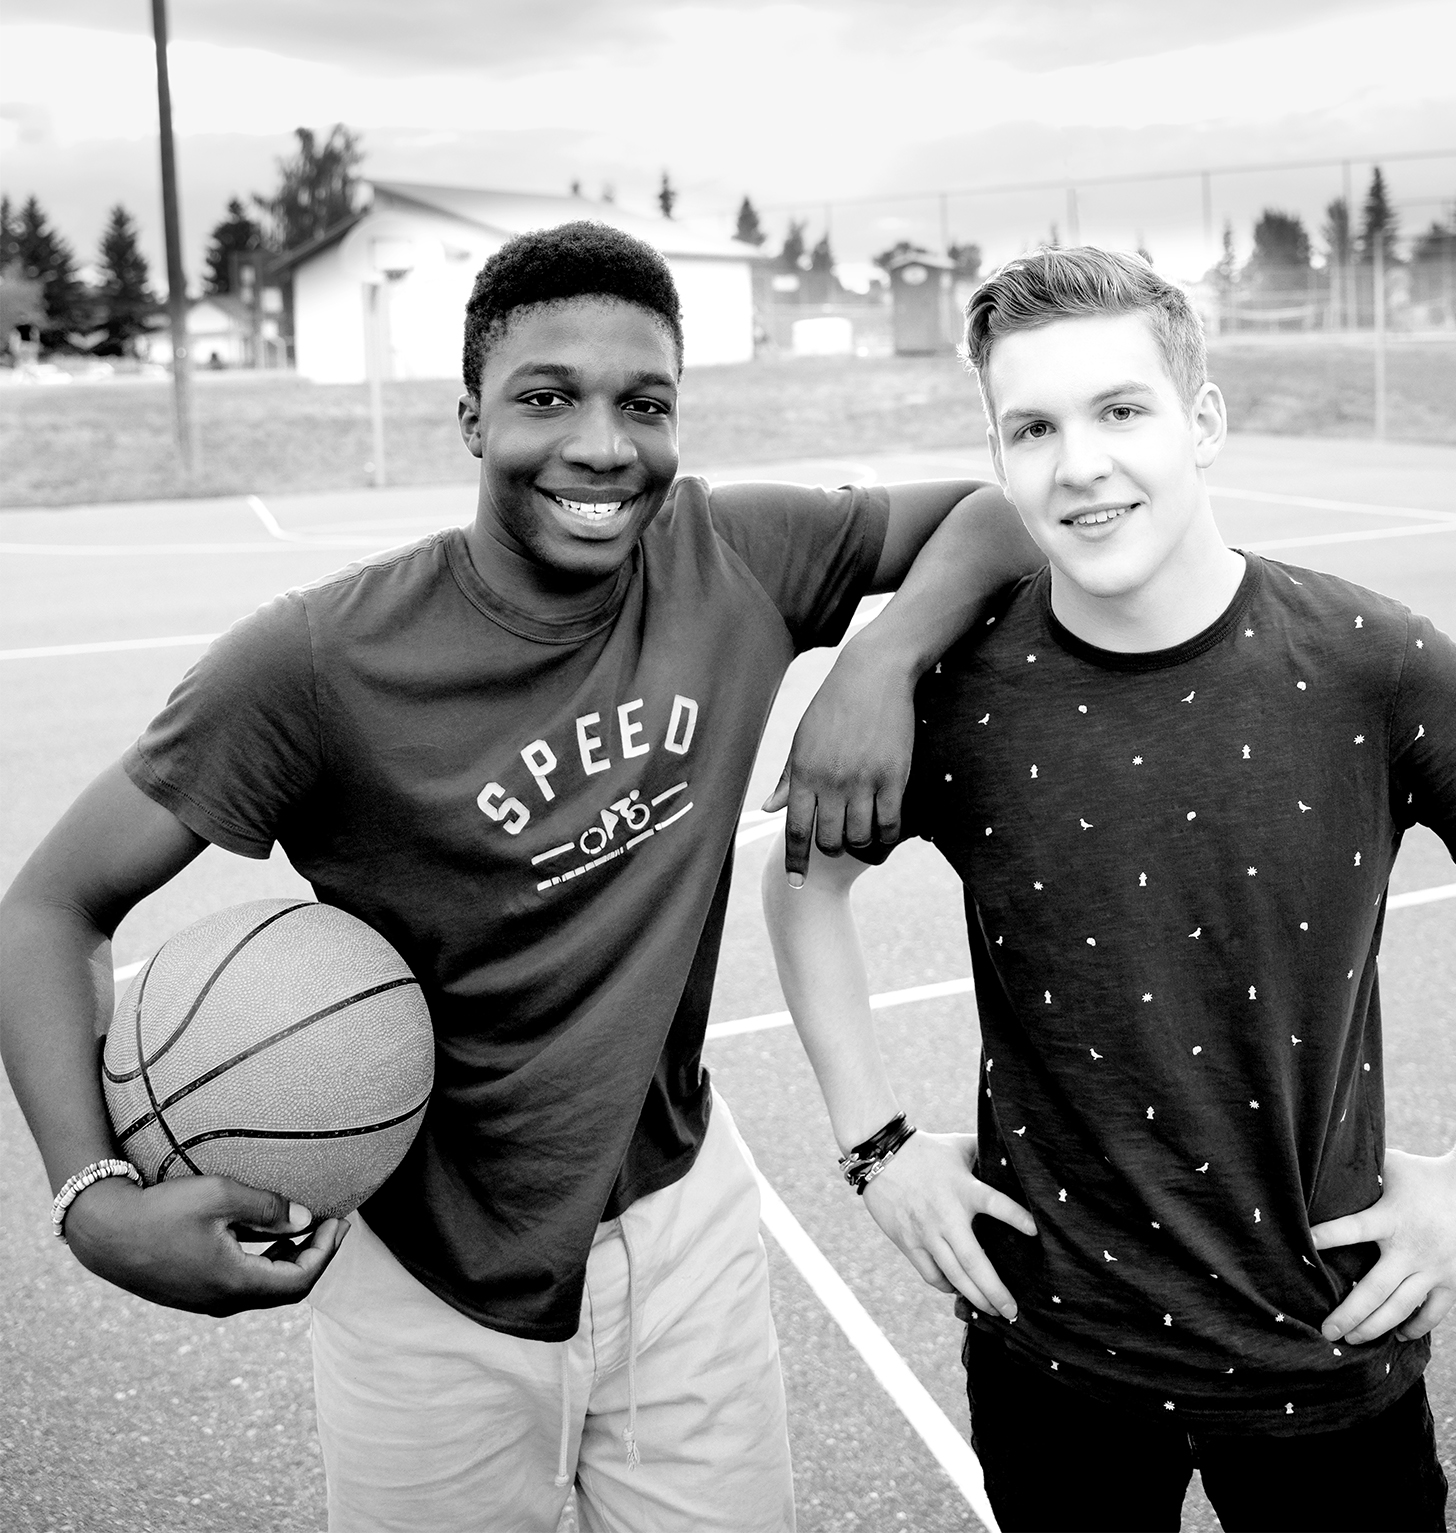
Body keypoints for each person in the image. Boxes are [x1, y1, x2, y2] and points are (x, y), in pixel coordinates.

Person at [0, 221, 1042, 1533]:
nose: (603, 444)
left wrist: (874, 667)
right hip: (424, 1279)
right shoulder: (316, 665)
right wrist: (92, 1201)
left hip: (682, 1235)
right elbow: (46, 909)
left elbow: (993, 511)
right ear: (472, 421)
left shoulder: (733, 559)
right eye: (547, 396)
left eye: (645, 402)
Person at [762, 246, 1456, 1533]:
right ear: (999, 458)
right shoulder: (958, 697)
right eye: (1032, 428)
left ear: (1202, 422)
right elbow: (803, 887)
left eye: (1121, 410)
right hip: (1055, 1362)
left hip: (1325, 1351)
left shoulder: (1378, 665)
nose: (1080, 464)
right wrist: (876, 1146)